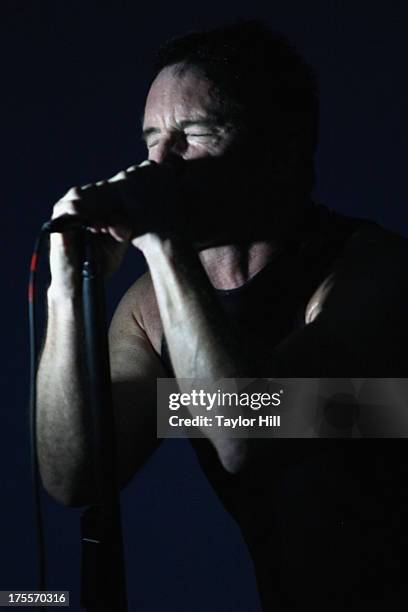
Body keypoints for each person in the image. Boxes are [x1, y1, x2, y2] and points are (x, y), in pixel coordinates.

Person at [37, 20, 408, 610]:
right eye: (151, 139)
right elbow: (74, 476)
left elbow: (245, 433)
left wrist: (162, 242)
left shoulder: (373, 271)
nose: (159, 163)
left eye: (194, 134)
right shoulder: (151, 308)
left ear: (279, 149)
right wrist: (67, 291)